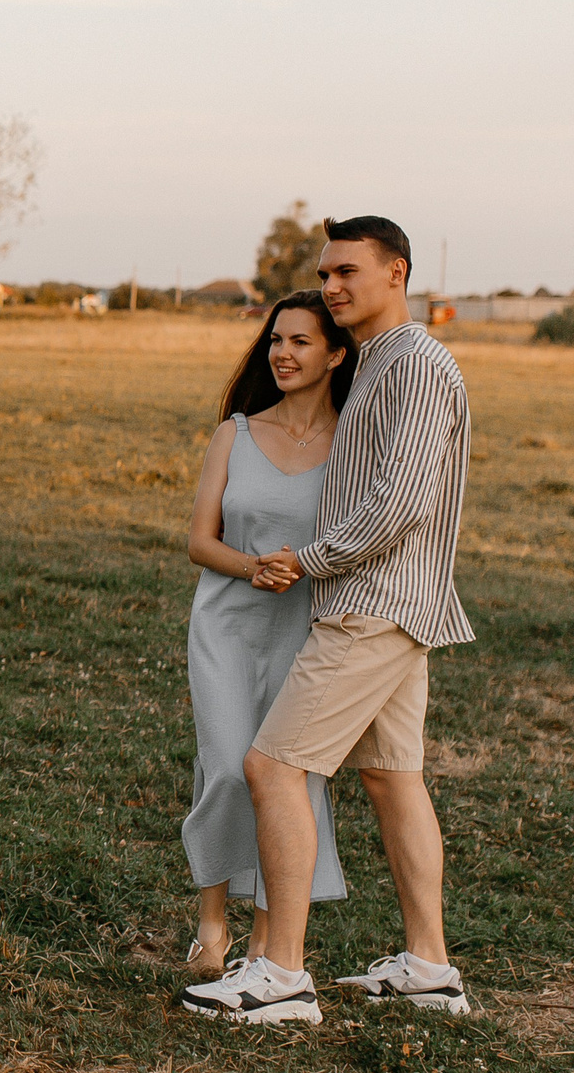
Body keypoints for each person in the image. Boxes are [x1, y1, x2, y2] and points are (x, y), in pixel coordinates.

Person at [180, 216, 476, 1026]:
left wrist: (309, 561)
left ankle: (281, 974)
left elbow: (402, 503)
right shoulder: (377, 362)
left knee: (273, 769)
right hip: (383, 602)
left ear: (397, 272)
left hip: (371, 605)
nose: (335, 284)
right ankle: (429, 965)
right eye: (327, 272)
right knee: (390, 775)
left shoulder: (414, 363)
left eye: (349, 270)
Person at [179, 290, 358, 973]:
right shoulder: (237, 432)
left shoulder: (351, 444)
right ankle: (211, 924)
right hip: (225, 624)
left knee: (286, 780)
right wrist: (254, 566)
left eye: (301, 342)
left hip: (306, 630)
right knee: (226, 767)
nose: (282, 352)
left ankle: (264, 941)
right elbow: (199, 540)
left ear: (336, 353)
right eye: (276, 340)